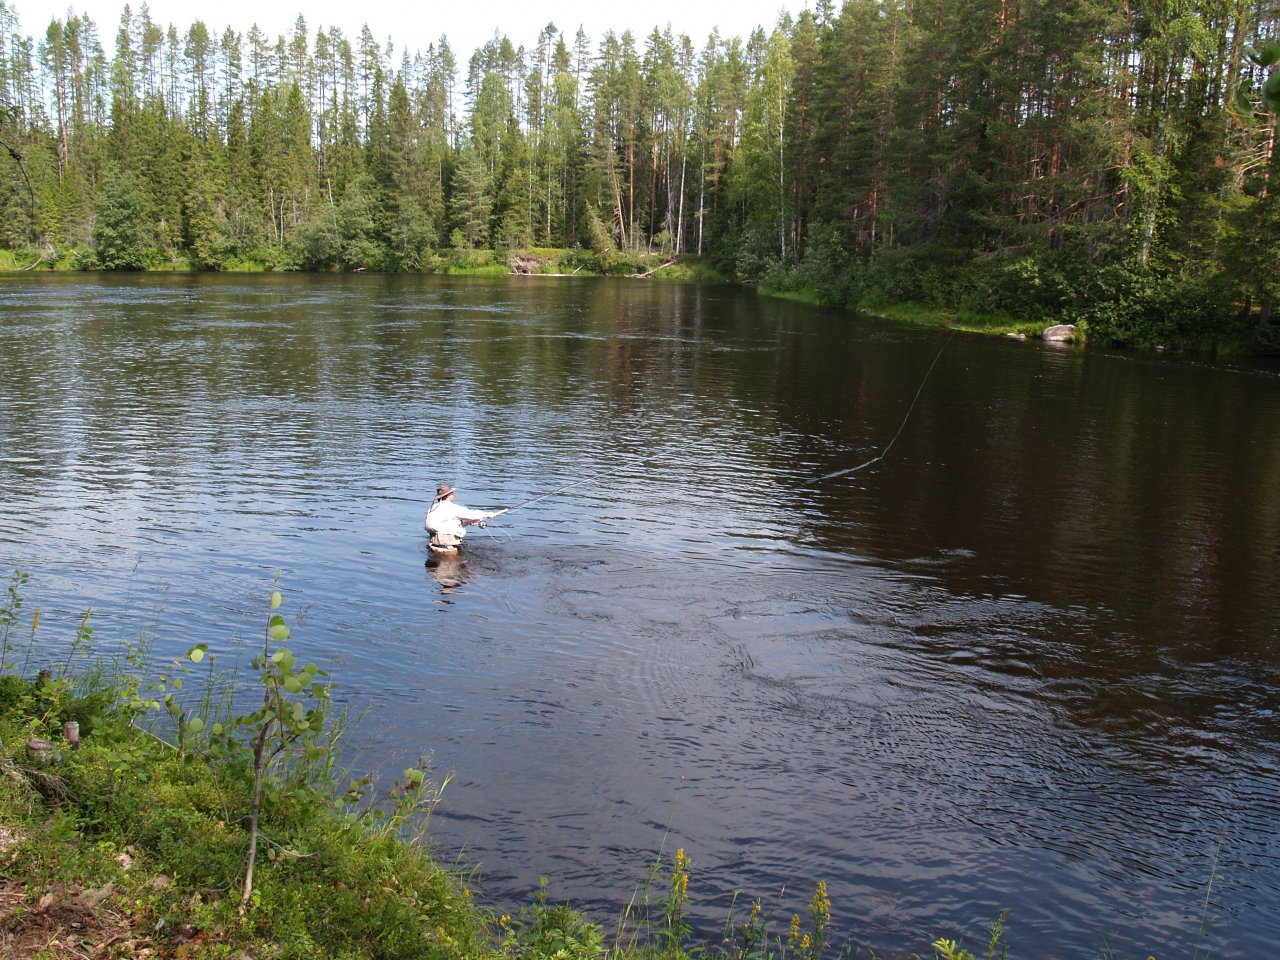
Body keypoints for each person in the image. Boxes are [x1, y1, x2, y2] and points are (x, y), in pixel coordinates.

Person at [424, 483, 504, 553]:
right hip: (448, 549)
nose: (453, 494)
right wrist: (488, 514)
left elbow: (447, 523)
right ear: (450, 494)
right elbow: (472, 514)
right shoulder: (453, 508)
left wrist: (468, 522)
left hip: (433, 546)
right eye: (452, 492)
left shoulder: (433, 508)